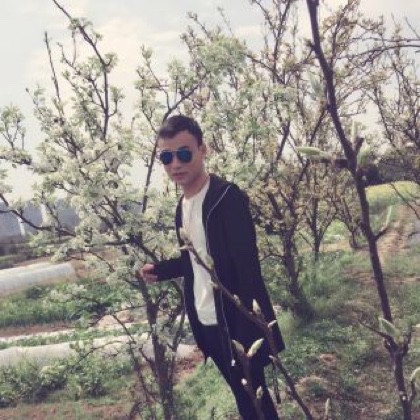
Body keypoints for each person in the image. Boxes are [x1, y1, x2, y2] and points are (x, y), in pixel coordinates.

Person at [140, 115, 284, 419]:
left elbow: (247, 268)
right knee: (245, 399)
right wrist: (162, 270)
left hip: (234, 321)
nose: (175, 164)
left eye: (184, 153)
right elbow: (196, 259)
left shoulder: (226, 197)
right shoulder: (182, 206)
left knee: (254, 400)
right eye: (166, 157)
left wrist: (249, 329)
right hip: (206, 321)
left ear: (203, 150)